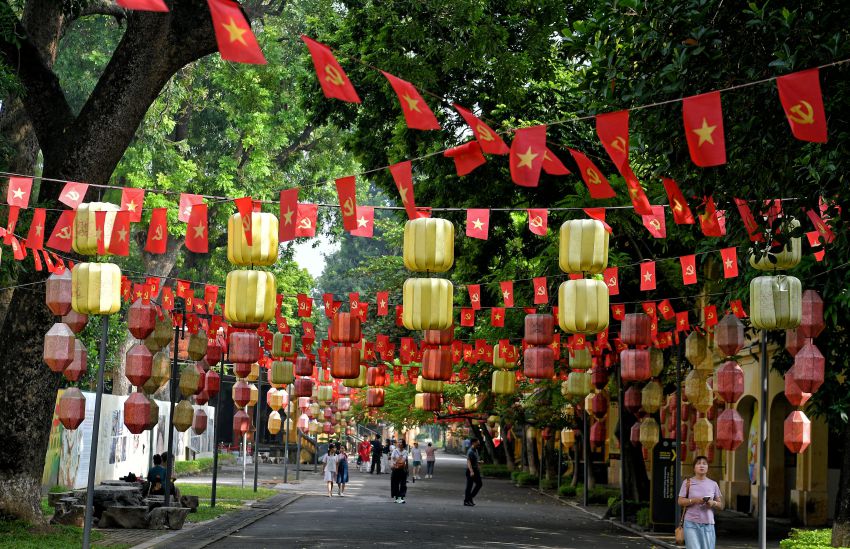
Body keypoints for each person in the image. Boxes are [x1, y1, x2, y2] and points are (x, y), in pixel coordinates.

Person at [678, 455, 723, 549]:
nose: (701, 466)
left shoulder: (713, 484)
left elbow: (721, 505)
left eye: (704, 464)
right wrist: (694, 500)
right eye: (699, 463)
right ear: (694, 468)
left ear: (707, 468)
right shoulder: (687, 482)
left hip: (708, 524)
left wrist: (712, 503)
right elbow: (680, 501)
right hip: (691, 523)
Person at [464, 438, 482, 506]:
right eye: (477, 442)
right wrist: (471, 471)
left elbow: (474, 460)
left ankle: (469, 498)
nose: (478, 444)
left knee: (479, 484)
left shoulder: (475, 450)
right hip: (471, 471)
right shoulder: (470, 451)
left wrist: (479, 462)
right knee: (469, 486)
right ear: (473, 443)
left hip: (475, 470)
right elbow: (469, 462)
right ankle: (466, 501)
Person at [390, 439, 408, 503]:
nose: (399, 443)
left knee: (403, 484)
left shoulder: (405, 451)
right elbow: (392, 459)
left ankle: (401, 497)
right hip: (395, 469)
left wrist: (396, 459)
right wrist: (392, 465)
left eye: (401, 442)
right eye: (398, 442)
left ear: (403, 444)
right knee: (395, 483)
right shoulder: (395, 451)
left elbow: (403, 460)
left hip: (402, 469)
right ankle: (397, 497)